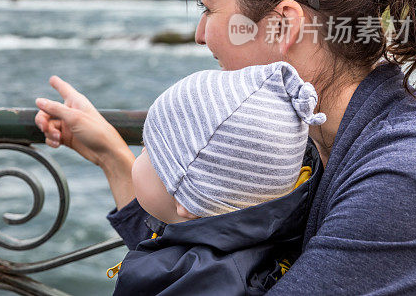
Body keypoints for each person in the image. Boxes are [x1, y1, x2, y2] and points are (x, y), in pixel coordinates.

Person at [34, 0, 416, 294]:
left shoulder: (407, 178)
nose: (199, 34)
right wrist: (112, 155)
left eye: (208, 8)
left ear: (283, 24)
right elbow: (208, 267)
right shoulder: (307, 140)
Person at [112, 61, 325, 295]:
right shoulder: (257, 251)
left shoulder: (193, 283)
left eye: (150, 148)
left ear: (190, 200)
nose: (141, 151)